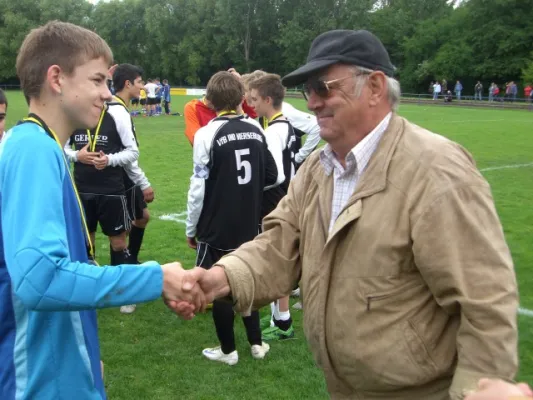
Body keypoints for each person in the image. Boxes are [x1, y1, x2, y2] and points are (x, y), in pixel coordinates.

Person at [175, 29, 519, 400]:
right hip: (342, 386)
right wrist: (222, 278)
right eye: (308, 90)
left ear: (374, 87)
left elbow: (485, 302)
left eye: (323, 87)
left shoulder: (438, 171)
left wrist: (479, 388)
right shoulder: (318, 169)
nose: (312, 103)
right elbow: (278, 245)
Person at [0, 21, 204, 400]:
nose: (107, 95)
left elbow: (52, 267)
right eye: (96, 81)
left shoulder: (42, 146)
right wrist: (154, 278)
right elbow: (40, 279)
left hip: (61, 372)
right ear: (56, 78)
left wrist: (84, 356)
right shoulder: (32, 150)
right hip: (39, 384)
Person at [185, 71, 277, 365]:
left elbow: (197, 189)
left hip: (217, 225)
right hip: (249, 223)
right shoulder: (256, 129)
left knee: (218, 283)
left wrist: (191, 227)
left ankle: (228, 351)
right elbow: (275, 176)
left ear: (210, 101)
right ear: (241, 98)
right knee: (245, 277)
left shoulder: (206, 134)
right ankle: (257, 344)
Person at [65, 64, 140, 271]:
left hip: (111, 190)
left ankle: (123, 293)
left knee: (118, 243)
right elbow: (59, 148)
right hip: (82, 190)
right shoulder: (74, 117)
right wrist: (77, 155)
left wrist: (109, 160)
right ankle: (88, 292)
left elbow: (133, 152)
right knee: (85, 243)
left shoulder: (117, 116)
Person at [248, 73, 298, 340]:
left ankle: (283, 323)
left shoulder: (272, 132)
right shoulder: (285, 124)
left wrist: (251, 190)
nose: (251, 104)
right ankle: (280, 319)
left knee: (274, 260)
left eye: (255, 99)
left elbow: (276, 174)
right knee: (279, 258)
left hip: (274, 201)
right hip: (284, 197)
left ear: (268, 99)